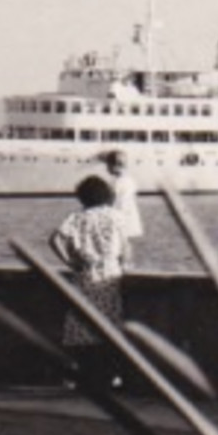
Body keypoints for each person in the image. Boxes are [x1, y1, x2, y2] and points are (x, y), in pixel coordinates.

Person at [49, 175, 132, 387]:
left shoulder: (77, 217)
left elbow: (54, 239)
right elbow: (126, 246)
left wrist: (69, 262)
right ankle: (111, 376)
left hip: (85, 273)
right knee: (109, 324)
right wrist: (125, 265)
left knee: (80, 324)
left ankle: (77, 375)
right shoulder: (116, 216)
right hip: (110, 273)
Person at [102, 149, 144, 246]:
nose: (107, 169)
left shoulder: (115, 183)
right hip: (128, 216)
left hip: (118, 216)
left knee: (115, 244)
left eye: (108, 165)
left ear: (114, 165)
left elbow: (112, 201)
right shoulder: (130, 180)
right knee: (125, 243)